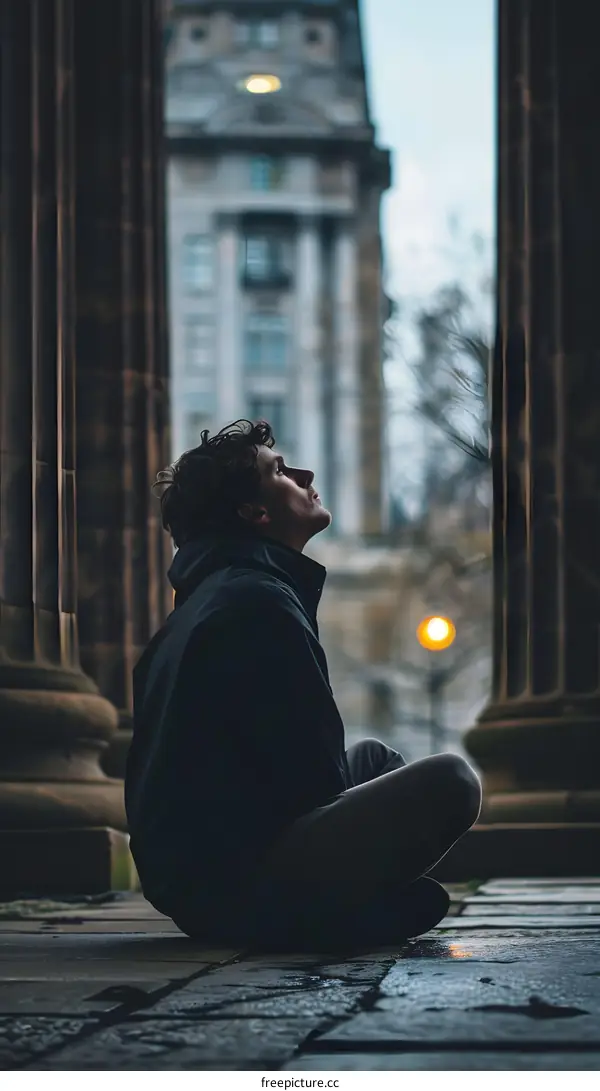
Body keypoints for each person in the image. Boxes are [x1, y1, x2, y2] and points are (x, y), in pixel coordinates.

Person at [125, 419, 482, 950]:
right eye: (280, 471)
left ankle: (354, 909)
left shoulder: (214, 599)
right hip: (236, 890)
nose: (305, 473)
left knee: (377, 760)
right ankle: (322, 919)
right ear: (256, 513)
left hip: (197, 881)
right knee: (453, 780)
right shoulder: (258, 602)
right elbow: (313, 782)